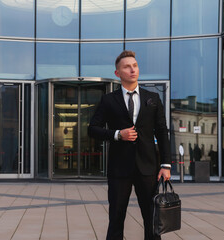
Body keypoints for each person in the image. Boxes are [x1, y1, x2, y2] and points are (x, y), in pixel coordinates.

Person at [88, 50, 171, 240]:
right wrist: (118, 134)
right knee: (116, 219)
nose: (132, 69)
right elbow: (92, 129)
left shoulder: (153, 98)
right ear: (117, 73)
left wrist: (166, 165)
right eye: (127, 66)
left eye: (135, 65)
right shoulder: (108, 100)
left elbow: (162, 131)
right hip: (119, 169)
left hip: (148, 167)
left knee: (152, 219)